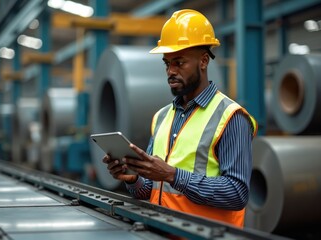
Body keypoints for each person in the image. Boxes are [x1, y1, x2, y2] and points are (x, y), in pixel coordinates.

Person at [103, 9, 257, 228]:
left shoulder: (230, 117)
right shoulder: (162, 117)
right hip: (162, 230)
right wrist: (135, 178)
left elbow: (236, 193)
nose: (170, 71)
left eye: (179, 62)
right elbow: (154, 190)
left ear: (203, 61)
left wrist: (173, 175)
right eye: (167, 63)